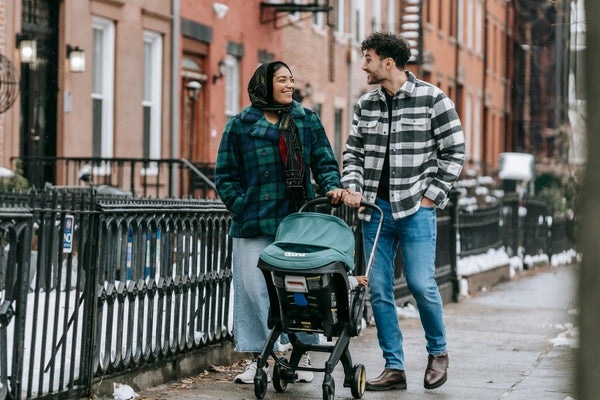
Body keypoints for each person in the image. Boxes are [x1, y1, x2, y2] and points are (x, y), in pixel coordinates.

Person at [332, 32, 465, 391]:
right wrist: (354, 187)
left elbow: (455, 151)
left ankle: (438, 353)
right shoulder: (366, 104)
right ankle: (394, 367)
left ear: (388, 63)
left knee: (422, 285)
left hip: (416, 210)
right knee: (378, 289)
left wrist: (430, 198)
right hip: (375, 212)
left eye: (369, 58)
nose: (364, 65)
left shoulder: (433, 99)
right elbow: (353, 153)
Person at [215, 61, 346, 384]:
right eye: (282, 80)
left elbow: (325, 161)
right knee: (252, 289)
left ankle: (298, 354)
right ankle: (261, 355)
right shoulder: (240, 125)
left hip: (297, 220)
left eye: (291, 80)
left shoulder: (306, 120)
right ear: (264, 85)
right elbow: (225, 175)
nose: (290, 85)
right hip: (253, 220)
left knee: (299, 290)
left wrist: (332, 186)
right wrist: (240, 204)